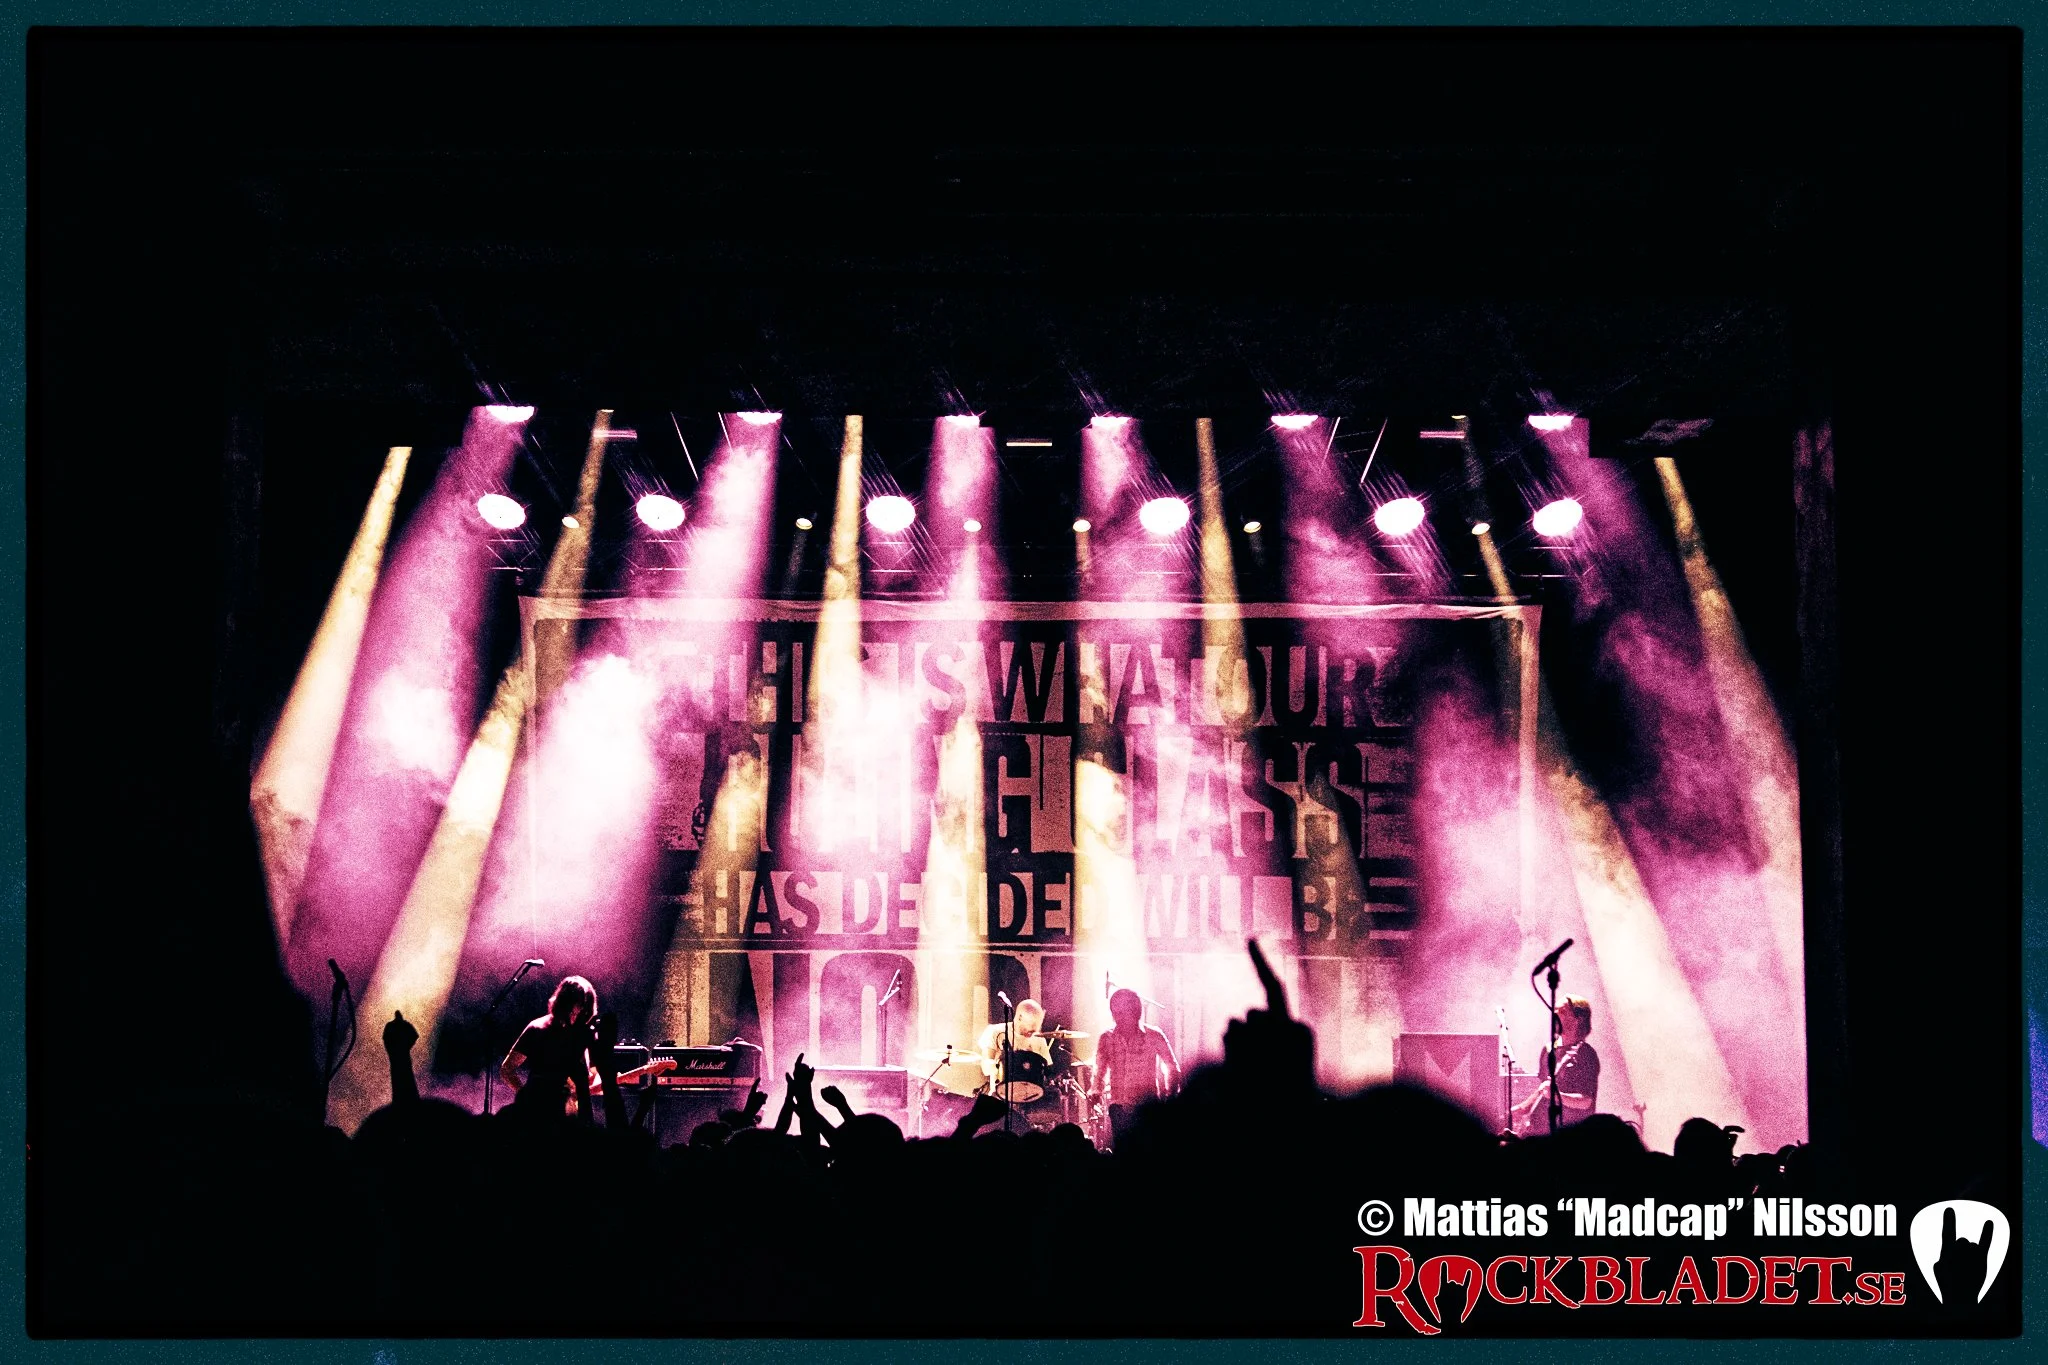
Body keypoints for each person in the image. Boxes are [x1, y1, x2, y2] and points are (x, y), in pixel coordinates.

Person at [499, 975, 599, 1119]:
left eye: (584, 1007)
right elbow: (507, 1069)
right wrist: (526, 1099)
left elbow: (593, 1074)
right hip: (541, 1113)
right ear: (566, 1003)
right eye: (578, 1005)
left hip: (572, 1116)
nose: (580, 1011)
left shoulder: (585, 1033)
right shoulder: (538, 1028)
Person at [1093, 987, 1180, 1144]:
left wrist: (1170, 1097)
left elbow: (1172, 1067)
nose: (1117, 1017)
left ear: (1135, 1011)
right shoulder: (1106, 1038)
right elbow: (1099, 1069)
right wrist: (1096, 1091)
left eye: (1122, 1012)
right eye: (1115, 1012)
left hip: (1147, 1108)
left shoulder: (1154, 1035)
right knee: (1123, 1152)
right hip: (1119, 1108)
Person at [1510, 994, 1601, 1133]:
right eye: (1555, 1010)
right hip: (1543, 1131)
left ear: (1579, 1019)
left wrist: (1557, 1095)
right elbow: (1544, 1088)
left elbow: (1586, 1101)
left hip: (1571, 1133)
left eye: (1563, 1011)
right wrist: (1523, 1108)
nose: (1555, 1014)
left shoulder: (1585, 1054)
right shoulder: (1548, 1050)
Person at [975, 997, 1054, 1101]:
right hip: (1001, 1097)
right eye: (1031, 1027)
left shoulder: (1039, 1039)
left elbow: (1047, 1071)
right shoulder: (995, 1031)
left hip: (1031, 1098)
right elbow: (986, 1068)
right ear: (1020, 1017)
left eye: (1037, 1027)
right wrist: (998, 1065)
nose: (1034, 1031)